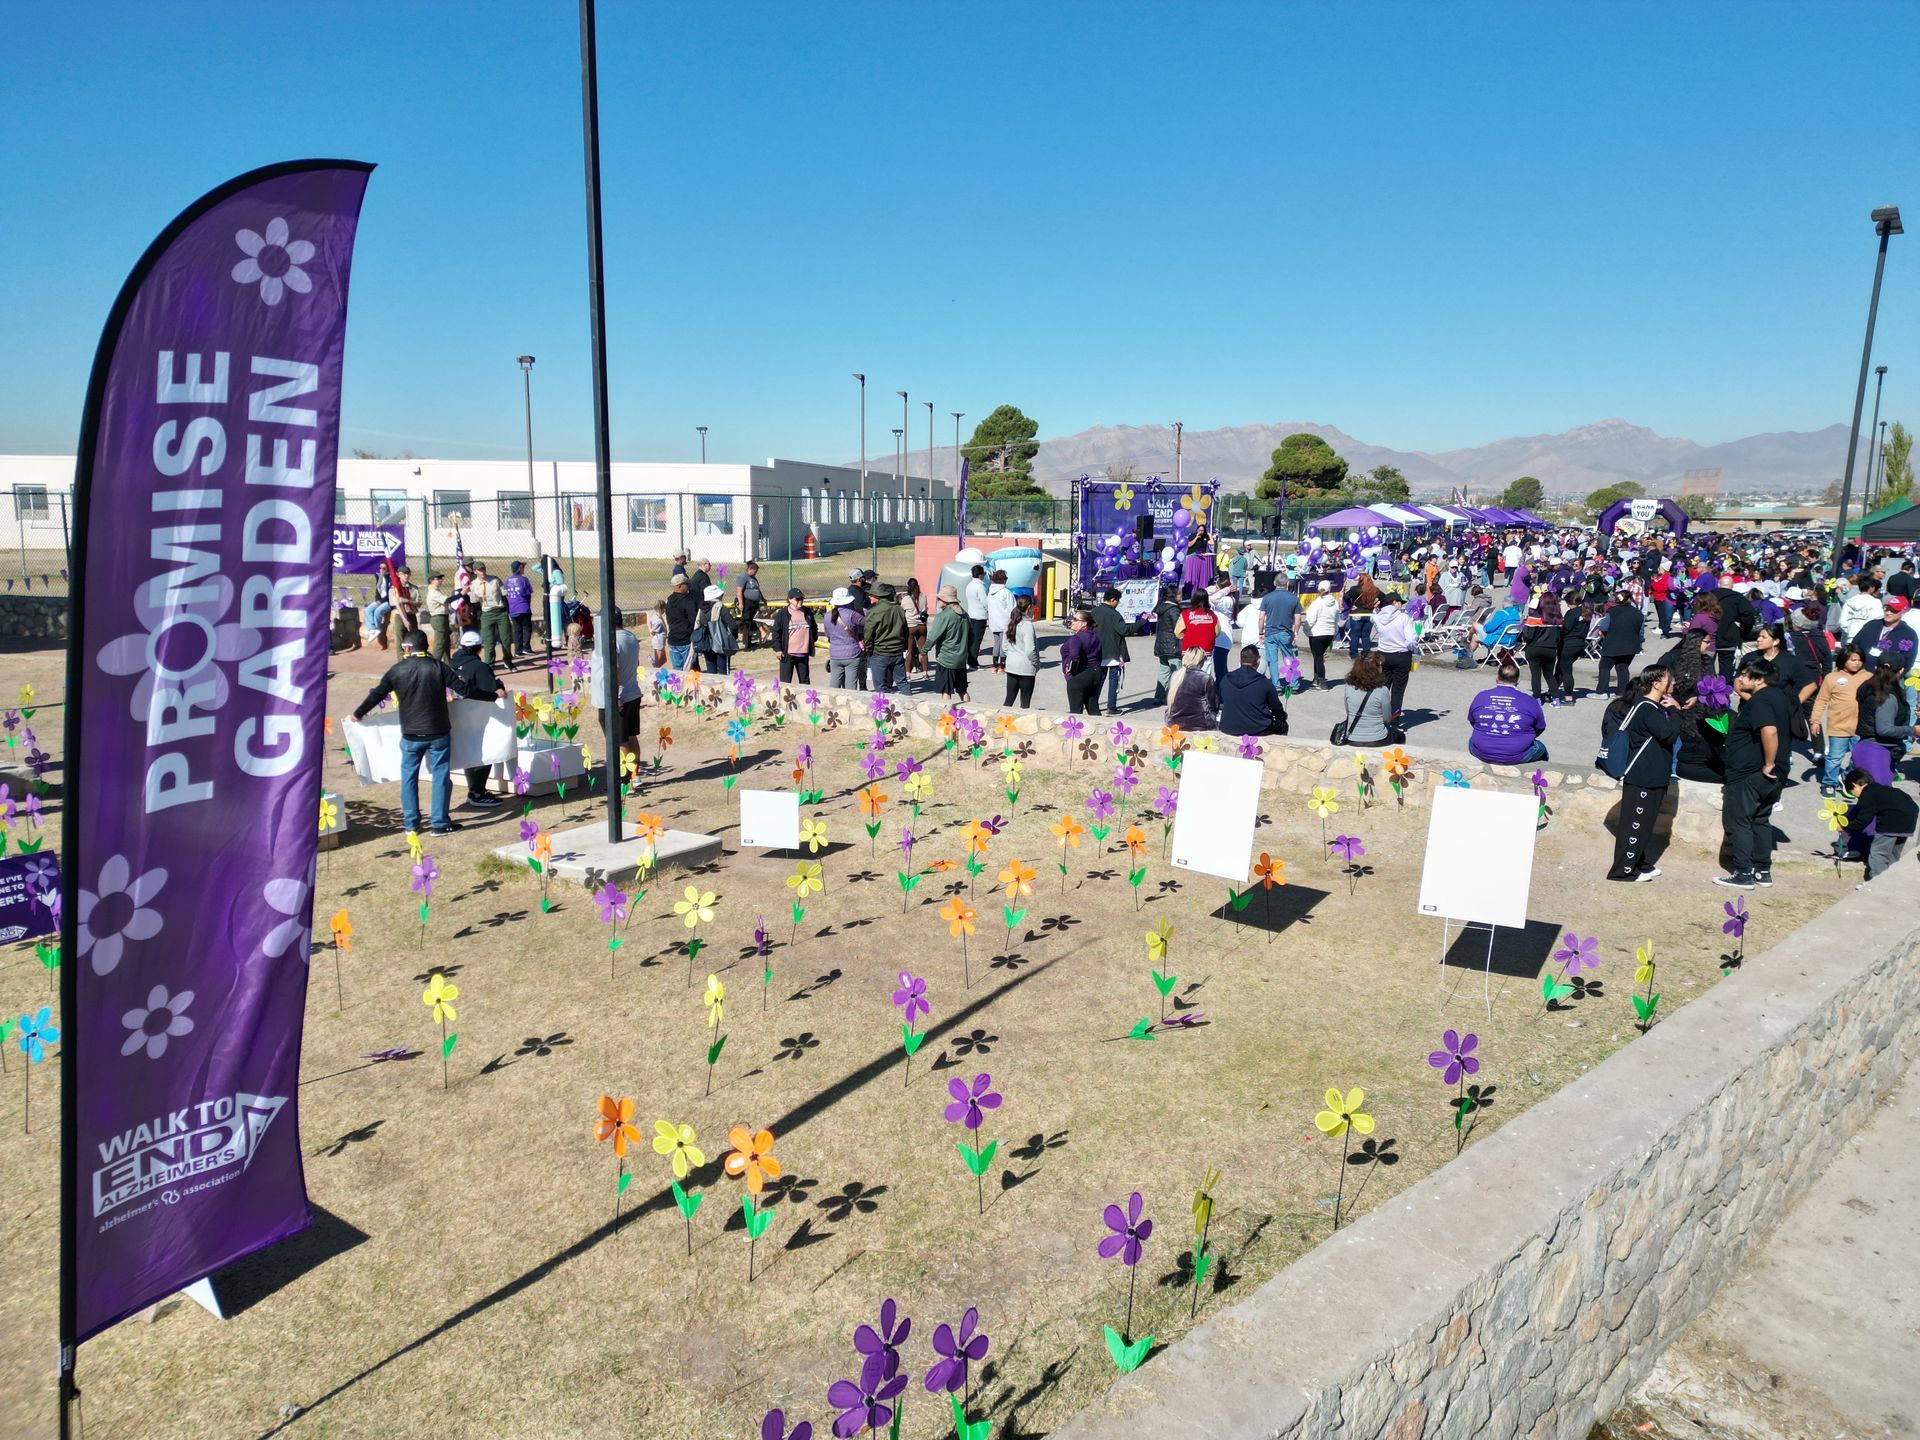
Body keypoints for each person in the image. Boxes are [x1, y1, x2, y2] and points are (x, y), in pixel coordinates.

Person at [352, 630, 461, 836]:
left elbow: (377, 694)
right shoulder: (438, 667)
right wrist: (492, 694)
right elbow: (463, 688)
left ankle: (411, 824)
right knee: (440, 777)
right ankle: (439, 823)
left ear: (408, 648)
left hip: (411, 734)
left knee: (409, 778)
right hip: (438, 732)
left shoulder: (397, 670)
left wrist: (358, 713)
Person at [1715, 656, 1792, 890]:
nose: (1739, 677)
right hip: (1775, 774)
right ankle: (1762, 871)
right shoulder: (1775, 697)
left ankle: (1743, 873)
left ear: (1758, 679)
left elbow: (1769, 731)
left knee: (1741, 821)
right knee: (1760, 820)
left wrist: (1767, 764)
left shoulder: (1761, 702)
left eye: (1745, 675)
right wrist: (1744, 695)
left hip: (1751, 774)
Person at [1602, 666, 1681, 882]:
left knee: (1643, 824)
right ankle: (1623, 871)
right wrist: (1676, 710)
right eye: (1669, 680)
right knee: (1635, 824)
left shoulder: (1651, 707)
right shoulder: (1647, 708)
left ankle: (1640, 863)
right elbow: (1670, 735)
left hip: (1651, 776)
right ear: (1656, 684)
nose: (1672, 684)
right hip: (1643, 777)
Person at [445, 628, 506, 807]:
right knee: (483, 753)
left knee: (468, 753)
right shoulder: (480, 667)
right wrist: (499, 685)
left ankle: (475, 790)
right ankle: (477, 792)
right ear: (478, 648)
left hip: (456, 716)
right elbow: (490, 690)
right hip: (478, 718)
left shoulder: (450, 664)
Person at [588, 606, 643, 777]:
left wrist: (615, 696)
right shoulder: (631, 637)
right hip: (632, 692)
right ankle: (634, 776)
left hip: (618, 698)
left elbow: (614, 670)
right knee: (631, 736)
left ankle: (624, 779)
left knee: (620, 741)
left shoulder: (611, 641)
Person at [1840, 765, 1917, 884]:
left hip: (1891, 822)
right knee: (1893, 853)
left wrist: (1845, 827)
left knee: (1878, 852)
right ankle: (1891, 879)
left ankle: (1876, 882)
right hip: (1910, 819)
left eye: (1852, 792)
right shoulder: (1882, 790)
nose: (1855, 796)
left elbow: (1862, 820)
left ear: (1855, 785)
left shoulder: (1868, 794)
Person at [1809, 645, 1869, 794]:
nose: (1857, 663)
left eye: (1860, 660)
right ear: (1843, 660)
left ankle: (1845, 777)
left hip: (1860, 727)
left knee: (1858, 759)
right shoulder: (1832, 678)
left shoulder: (1868, 677)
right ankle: (1829, 782)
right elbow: (1821, 699)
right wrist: (1815, 720)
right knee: (1835, 758)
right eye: (1853, 660)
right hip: (1838, 726)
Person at [1467, 662, 1549, 765]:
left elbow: (1473, 721)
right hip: (1517, 755)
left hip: (1481, 751)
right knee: (1541, 748)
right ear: (1518, 680)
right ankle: (1542, 772)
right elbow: (1540, 727)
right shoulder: (1530, 701)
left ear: (1497, 678)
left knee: (1472, 740)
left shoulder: (1481, 696)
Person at [1218, 645, 1288, 738]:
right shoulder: (1264, 682)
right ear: (1258, 660)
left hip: (1228, 726)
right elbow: (1276, 708)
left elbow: (1220, 700)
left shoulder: (1226, 679)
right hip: (1257, 728)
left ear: (1240, 660)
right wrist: (1283, 717)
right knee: (1283, 726)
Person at [1338, 652, 1403, 746]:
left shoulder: (1348, 687)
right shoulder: (1383, 691)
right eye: (1380, 666)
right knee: (1400, 736)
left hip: (1352, 737)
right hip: (1377, 738)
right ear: (1375, 670)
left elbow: (1349, 712)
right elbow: (1387, 720)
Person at [1371, 590, 1417, 719]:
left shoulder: (1378, 617)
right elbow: (1411, 640)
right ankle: (1394, 721)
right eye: (1399, 603)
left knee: (1382, 688)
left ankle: (1379, 718)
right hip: (1401, 655)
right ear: (1393, 603)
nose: (1401, 606)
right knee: (1398, 691)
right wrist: (1414, 649)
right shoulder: (1404, 617)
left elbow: (1372, 616)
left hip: (1384, 654)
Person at [1090, 586, 1132, 713]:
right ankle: (1111, 707)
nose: (1118, 603)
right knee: (1114, 679)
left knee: (1098, 679)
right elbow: (1124, 630)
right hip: (1113, 651)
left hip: (1097, 650)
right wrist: (1141, 622)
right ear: (1113, 600)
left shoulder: (1094, 611)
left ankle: (1093, 705)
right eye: (1117, 601)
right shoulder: (1114, 614)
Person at [1595, 590, 1644, 695]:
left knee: (1604, 666)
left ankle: (1601, 691)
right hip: (1631, 645)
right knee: (1623, 668)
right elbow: (1640, 632)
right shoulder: (1638, 613)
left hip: (1613, 644)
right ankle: (1622, 692)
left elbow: (1604, 627)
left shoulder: (1612, 612)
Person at [926, 584, 970, 699]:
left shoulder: (943, 616)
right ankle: (970, 712)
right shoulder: (965, 615)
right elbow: (971, 637)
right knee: (963, 690)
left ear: (945, 600)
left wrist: (923, 651)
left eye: (939, 598)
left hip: (946, 659)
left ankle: (948, 716)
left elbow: (932, 637)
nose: (938, 600)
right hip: (961, 659)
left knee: (946, 691)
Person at [864, 582, 908, 692]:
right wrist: (904, 646)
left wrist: (868, 649)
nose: (869, 596)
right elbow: (905, 630)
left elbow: (868, 633)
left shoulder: (873, 612)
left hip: (880, 652)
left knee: (880, 686)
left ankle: (881, 708)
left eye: (871, 594)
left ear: (878, 596)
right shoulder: (899, 609)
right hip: (897, 651)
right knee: (902, 683)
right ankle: (911, 706)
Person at [1523, 588, 1564, 703]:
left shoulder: (1534, 617)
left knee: (1535, 675)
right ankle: (1556, 699)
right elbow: (1559, 637)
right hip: (1550, 649)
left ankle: (1537, 699)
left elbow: (1528, 636)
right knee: (1549, 675)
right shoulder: (1558, 619)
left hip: (1534, 648)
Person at [1061, 608, 1105, 715]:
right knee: (1093, 708)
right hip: (1096, 673)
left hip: (1081, 676)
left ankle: (1075, 731)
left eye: (1075, 619)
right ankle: (1100, 730)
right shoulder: (1095, 637)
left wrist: (1069, 674)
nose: (1072, 621)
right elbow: (1099, 656)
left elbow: (1074, 657)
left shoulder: (1076, 638)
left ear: (1084, 623)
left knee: (1075, 712)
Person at [1164, 647, 1218, 732]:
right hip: (1199, 723)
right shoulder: (1205, 678)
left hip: (1173, 722)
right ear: (1201, 661)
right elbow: (1213, 705)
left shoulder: (1175, 676)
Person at [1258, 575, 1301, 681]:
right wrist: (1295, 632)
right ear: (1287, 584)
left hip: (1270, 632)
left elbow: (1261, 617)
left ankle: (1276, 684)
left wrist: (1260, 632)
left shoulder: (1267, 598)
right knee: (1289, 658)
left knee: (1272, 660)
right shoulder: (1294, 598)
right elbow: (1298, 619)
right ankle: (1293, 683)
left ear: (1274, 583)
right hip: (1285, 632)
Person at [824, 587, 866, 689]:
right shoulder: (852, 614)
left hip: (835, 654)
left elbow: (828, 635)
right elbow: (868, 621)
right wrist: (864, 610)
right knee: (851, 685)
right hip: (852, 653)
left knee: (834, 684)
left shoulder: (827, 616)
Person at [1003, 595, 1039, 708]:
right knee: (1025, 702)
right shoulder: (1027, 625)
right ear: (1029, 607)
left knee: (1009, 700)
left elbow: (1004, 646)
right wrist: (1036, 663)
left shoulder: (1011, 622)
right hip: (1026, 667)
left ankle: (1002, 721)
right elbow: (1030, 649)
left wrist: (1011, 656)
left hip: (1011, 664)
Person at [1150, 585, 1184, 703]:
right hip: (1173, 645)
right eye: (1179, 593)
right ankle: (1175, 698)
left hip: (1161, 644)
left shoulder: (1161, 607)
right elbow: (1178, 628)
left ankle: (1158, 697)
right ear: (1174, 596)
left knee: (1164, 671)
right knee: (1177, 673)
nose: (1181, 595)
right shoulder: (1174, 609)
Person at [776, 587, 816, 684]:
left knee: (805, 682)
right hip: (788, 653)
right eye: (797, 599)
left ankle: (806, 699)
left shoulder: (807, 612)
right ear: (790, 599)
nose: (800, 601)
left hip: (803, 653)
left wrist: (812, 640)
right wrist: (777, 649)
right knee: (785, 683)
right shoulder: (783, 614)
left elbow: (814, 628)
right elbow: (776, 632)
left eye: (802, 599)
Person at [1304, 580, 1340, 688]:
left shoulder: (1316, 603)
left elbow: (1310, 620)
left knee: (1318, 657)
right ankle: (1316, 679)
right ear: (1330, 590)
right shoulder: (1335, 603)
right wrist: (1334, 631)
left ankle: (1323, 683)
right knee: (1318, 657)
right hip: (1329, 633)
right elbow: (1336, 619)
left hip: (1317, 633)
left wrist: (1306, 630)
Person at [695, 583, 736, 675]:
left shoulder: (702, 609)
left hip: (707, 643)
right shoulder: (721, 608)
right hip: (721, 643)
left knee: (711, 670)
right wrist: (732, 638)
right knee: (723, 671)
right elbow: (732, 625)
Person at [665, 574, 701, 670]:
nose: (688, 587)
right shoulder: (688, 601)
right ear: (680, 586)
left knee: (677, 668)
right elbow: (694, 620)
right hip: (685, 640)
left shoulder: (670, 600)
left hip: (673, 638)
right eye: (686, 584)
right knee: (690, 669)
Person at [504, 560, 535, 661]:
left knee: (517, 630)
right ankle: (526, 648)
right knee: (526, 628)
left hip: (512, 609)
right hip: (523, 607)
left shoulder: (508, 580)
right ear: (519, 569)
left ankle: (518, 651)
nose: (523, 569)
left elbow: (505, 594)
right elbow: (528, 593)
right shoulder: (524, 579)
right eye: (522, 567)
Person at [984, 570, 1015, 672]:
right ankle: (1002, 666)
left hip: (994, 622)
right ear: (1003, 580)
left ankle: (994, 665)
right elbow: (1012, 608)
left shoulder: (990, 592)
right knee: (1003, 644)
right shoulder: (1006, 592)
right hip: (1004, 621)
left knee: (997, 643)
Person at [901, 577, 929, 678]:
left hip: (910, 626)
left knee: (909, 650)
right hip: (922, 626)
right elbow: (925, 609)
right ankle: (925, 672)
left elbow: (902, 611)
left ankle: (908, 673)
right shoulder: (923, 596)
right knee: (923, 650)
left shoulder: (905, 599)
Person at [963, 564, 989, 668]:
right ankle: (973, 662)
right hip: (980, 616)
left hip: (971, 614)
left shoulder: (969, 585)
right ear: (980, 575)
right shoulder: (980, 586)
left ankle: (968, 660)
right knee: (977, 640)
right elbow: (985, 602)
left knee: (971, 639)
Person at [424, 572, 451, 659]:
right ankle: (434, 664)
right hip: (439, 618)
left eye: (441, 578)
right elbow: (447, 600)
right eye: (438, 578)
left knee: (446, 642)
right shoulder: (433, 592)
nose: (440, 580)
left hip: (442, 617)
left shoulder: (436, 590)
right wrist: (460, 594)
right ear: (431, 580)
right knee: (440, 643)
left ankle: (448, 664)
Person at [738, 561, 765, 649]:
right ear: (750, 569)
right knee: (746, 622)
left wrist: (763, 599)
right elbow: (739, 591)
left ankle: (749, 641)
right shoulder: (743, 577)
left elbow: (758, 590)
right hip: (747, 603)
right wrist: (741, 603)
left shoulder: (754, 578)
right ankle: (746, 642)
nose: (755, 573)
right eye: (755, 571)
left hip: (754, 603)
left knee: (751, 621)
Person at [647, 600, 668, 669]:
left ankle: (653, 663)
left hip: (661, 640)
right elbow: (655, 630)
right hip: (659, 640)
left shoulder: (656, 616)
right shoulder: (658, 620)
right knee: (659, 661)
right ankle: (655, 670)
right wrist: (651, 631)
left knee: (664, 659)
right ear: (661, 609)